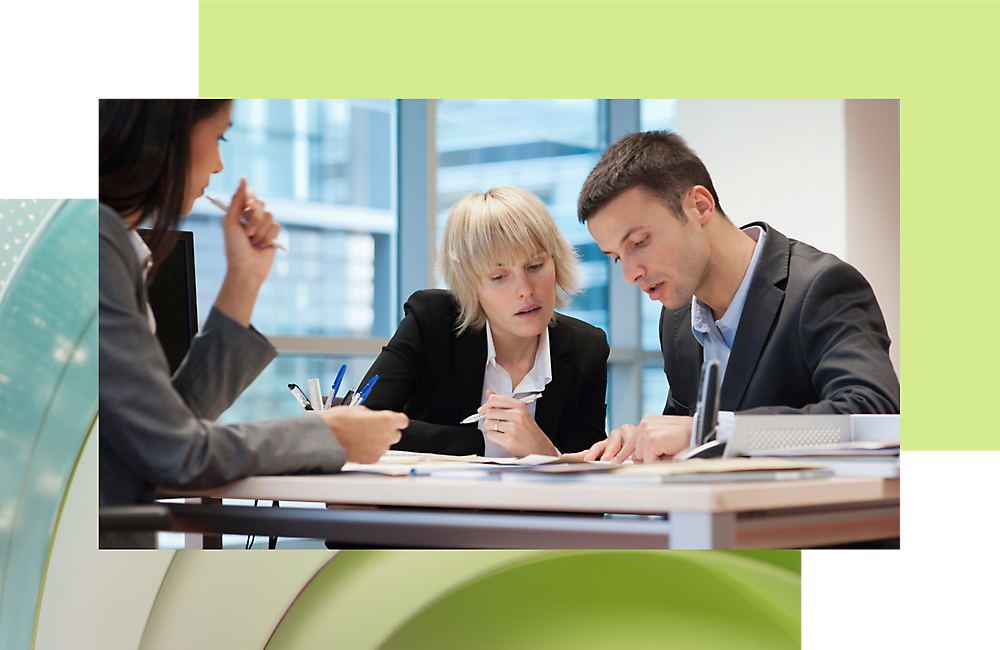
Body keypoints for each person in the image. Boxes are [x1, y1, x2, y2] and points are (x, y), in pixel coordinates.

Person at [98, 99, 408, 548]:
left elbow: (172, 427)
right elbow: (176, 452)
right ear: (166, 136)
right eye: (219, 137)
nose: (221, 165)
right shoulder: (99, 244)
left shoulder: (114, 243)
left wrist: (243, 279)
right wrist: (327, 433)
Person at [569, 130, 900, 463]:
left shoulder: (821, 286)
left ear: (700, 206)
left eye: (639, 242)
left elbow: (876, 412)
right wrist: (640, 442)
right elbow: (683, 435)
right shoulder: (677, 317)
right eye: (616, 257)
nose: (630, 274)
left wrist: (710, 431)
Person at [358, 187, 609, 457]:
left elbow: (589, 464)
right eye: (499, 277)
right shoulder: (432, 320)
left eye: (535, 266)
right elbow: (361, 425)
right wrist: (486, 443)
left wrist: (544, 453)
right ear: (470, 286)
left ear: (556, 263)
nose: (525, 290)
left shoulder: (587, 348)